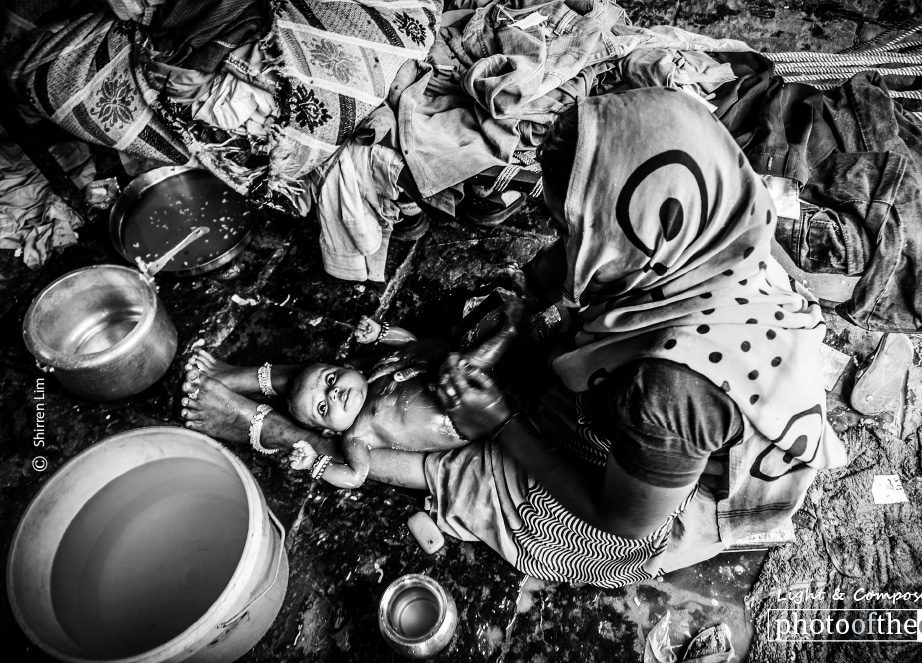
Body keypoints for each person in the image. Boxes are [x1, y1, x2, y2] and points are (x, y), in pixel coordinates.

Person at [180, 87, 847, 587]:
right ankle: (272, 383)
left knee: (471, 475)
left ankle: (274, 431)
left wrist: (499, 426)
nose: (564, 249)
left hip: (669, 513)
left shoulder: (672, 390)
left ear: (640, 235)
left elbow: (625, 519)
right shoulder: (730, 217)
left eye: (580, 234)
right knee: (534, 354)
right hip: (686, 431)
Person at [180, 295, 521, 488]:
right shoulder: (357, 437)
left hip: (456, 388)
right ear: (331, 431)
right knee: (465, 363)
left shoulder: (372, 374)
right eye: (324, 409)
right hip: (462, 418)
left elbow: (411, 343)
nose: (334, 395)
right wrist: (317, 463)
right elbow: (355, 475)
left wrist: (382, 334)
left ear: (353, 371)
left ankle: (509, 331)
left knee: (451, 357)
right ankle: (510, 330)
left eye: (332, 382)